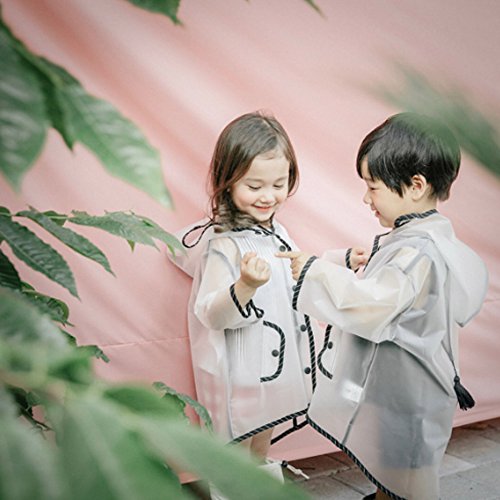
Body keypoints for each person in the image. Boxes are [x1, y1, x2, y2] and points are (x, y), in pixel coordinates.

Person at [278, 112, 488, 500]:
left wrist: (314, 270)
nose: (366, 198)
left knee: (405, 480)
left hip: (409, 398)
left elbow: (372, 303)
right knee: (393, 476)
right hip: (400, 392)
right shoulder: (421, 238)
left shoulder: (418, 251)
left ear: (416, 186)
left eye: (372, 187)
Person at [169, 111, 367, 474]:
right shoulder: (223, 245)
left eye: (279, 184)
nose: (268, 196)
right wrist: (244, 286)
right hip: (240, 373)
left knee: (263, 434)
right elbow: (211, 312)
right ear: (227, 181)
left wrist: (340, 261)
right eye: (254, 185)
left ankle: (261, 478)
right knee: (236, 445)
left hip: (273, 366)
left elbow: (295, 272)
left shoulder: (276, 232)